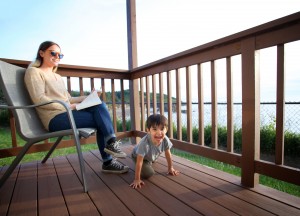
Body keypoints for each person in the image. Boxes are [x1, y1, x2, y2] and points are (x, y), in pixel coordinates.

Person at [24, 41, 128, 174]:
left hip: (67, 112)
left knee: (99, 104)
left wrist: (89, 96)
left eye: (60, 55)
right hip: (54, 118)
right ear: (41, 53)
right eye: (53, 53)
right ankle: (108, 158)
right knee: (101, 119)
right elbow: (39, 99)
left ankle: (111, 145)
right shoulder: (34, 72)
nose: (57, 57)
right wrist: (69, 105)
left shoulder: (57, 77)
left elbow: (68, 98)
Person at [130, 114, 179, 189]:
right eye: (155, 129)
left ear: (167, 130)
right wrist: (137, 179)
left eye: (162, 129)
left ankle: (149, 161)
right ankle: (146, 163)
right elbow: (139, 162)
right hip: (138, 156)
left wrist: (170, 168)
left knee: (152, 160)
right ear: (148, 130)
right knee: (149, 173)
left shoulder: (165, 140)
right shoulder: (144, 143)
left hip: (150, 156)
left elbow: (168, 154)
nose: (159, 132)